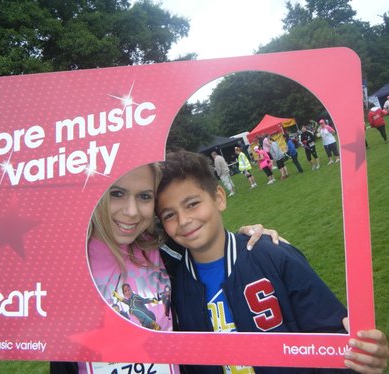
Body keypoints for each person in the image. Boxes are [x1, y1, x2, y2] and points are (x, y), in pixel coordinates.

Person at [0, 162, 282, 373]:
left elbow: (212, 252)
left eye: (145, 197)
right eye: (117, 193)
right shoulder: (57, 256)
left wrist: (251, 235)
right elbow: (5, 305)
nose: (131, 211)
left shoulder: (166, 250)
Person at [155, 150, 389, 374]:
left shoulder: (273, 255)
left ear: (219, 198)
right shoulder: (171, 285)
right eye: (169, 215)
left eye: (192, 204)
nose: (184, 220)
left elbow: (333, 337)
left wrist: (361, 357)